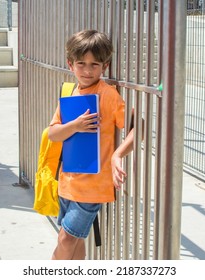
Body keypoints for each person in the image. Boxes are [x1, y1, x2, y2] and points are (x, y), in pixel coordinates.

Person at [48, 29, 134, 260]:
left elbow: (138, 128)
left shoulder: (108, 95)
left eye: (94, 64)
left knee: (66, 239)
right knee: (74, 242)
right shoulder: (71, 92)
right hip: (67, 182)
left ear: (104, 66)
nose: (87, 70)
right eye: (81, 63)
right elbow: (53, 134)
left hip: (93, 186)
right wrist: (75, 126)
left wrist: (117, 155)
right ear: (70, 64)